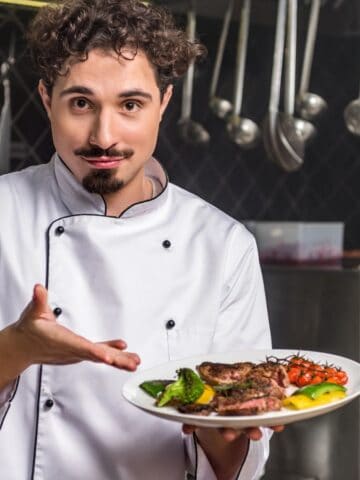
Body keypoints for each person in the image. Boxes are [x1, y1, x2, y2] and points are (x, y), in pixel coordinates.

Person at [0, 1, 282, 479]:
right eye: (81, 103)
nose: (104, 136)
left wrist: (222, 425)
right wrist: (15, 350)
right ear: (47, 100)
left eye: (130, 105)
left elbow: (239, 463)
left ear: (164, 103)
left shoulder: (223, 245)